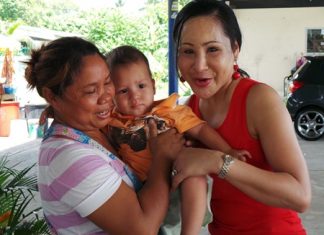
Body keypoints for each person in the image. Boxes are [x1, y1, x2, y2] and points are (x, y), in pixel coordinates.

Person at [170, 0, 312, 234]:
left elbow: (300, 197)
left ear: (235, 49)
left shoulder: (258, 100)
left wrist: (217, 161)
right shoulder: (187, 112)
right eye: (188, 51)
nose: (199, 64)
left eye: (212, 49)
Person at [24, 36, 186, 235]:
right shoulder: (68, 158)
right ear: (52, 97)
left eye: (108, 82)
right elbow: (143, 230)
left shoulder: (99, 128)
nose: (107, 96)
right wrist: (162, 157)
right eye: (91, 91)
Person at [105, 45, 251, 235]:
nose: (135, 96)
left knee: (195, 175)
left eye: (141, 86)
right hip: (142, 189)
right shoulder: (112, 122)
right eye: (123, 91)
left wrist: (227, 151)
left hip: (176, 175)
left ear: (153, 85)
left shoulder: (169, 112)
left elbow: (200, 130)